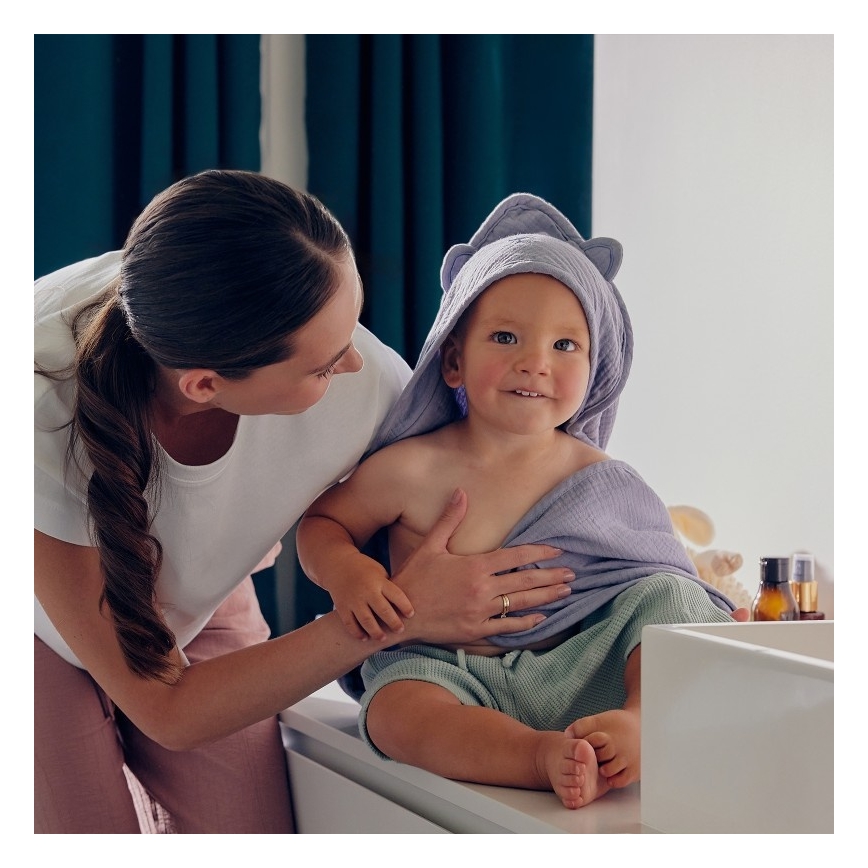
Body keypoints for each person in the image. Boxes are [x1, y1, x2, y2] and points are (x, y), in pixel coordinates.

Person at [34, 172, 575, 833]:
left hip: (198, 583)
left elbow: (486, 483)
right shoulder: (40, 417)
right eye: (322, 366)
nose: (354, 366)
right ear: (206, 384)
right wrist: (392, 618)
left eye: (351, 327)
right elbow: (169, 711)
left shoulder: (369, 380)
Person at [296, 193, 744, 810]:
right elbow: (323, 524)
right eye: (506, 337)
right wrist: (351, 574)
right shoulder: (412, 467)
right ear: (453, 360)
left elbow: (658, 580)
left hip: (582, 667)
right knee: (395, 714)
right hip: (452, 673)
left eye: (566, 346)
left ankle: (641, 721)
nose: (535, 363)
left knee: (670, 598)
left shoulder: (603, 478)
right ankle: (535, 757)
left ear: (596, 369)